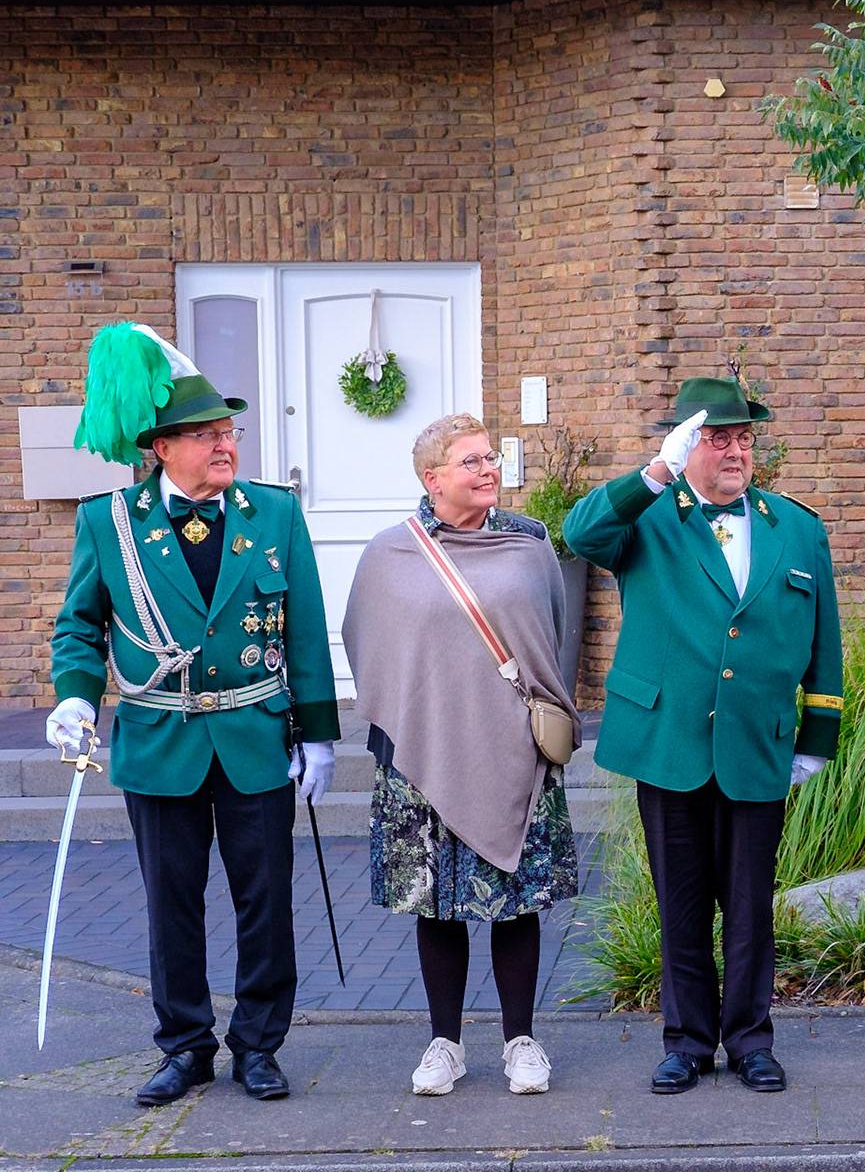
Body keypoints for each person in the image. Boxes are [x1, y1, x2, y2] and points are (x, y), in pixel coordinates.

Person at [49, 322, 338, 1106]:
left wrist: (318, 733)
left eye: (228, 431)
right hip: (158, 740)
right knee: (170, 907)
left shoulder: (274, 513)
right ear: (160, 448)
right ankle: (183, 1046)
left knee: (266, 902)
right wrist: (74, 694)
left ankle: (258, 1045)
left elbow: (305, 627)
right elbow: (81, 625)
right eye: (205, 434)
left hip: (254, 737)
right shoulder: (108, 522)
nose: (224, 444)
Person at [565, 376, 841, 1095]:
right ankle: (687, 1041)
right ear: (686, 445)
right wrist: (654, 473)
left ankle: (751, 1041)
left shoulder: (796, 526)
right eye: (717, 438)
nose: (735, 451)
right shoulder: (650, 519)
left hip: (759, 739)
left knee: (751, 904)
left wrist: (817, 735)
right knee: (681, 901)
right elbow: (581, 533)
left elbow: (824, 642)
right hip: (669, 739)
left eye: (744, 438)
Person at [341, 414, 581, 1097]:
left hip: (514, 751)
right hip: (425, 753)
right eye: (470, 461)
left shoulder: (529, 546)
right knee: (436, 906)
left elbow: (552, 636)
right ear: (433, 477)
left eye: (490, 459)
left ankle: (521, 1041)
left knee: (517, 902)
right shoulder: (391, 554)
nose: (486, 471)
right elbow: (368, 642)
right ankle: (444, 1044)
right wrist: (405, 721)